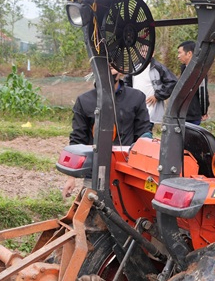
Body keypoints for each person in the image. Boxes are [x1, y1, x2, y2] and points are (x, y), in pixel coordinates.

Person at [65, 65, 154, 197]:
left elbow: (144, 134)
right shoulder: (84, 101)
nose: (110, 69)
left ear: (121, 69)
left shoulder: (136, 97)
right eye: (105, 65)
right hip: (94, 174)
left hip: (126, 173)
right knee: (91, 211)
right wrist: (71, 177)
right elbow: (77, 139)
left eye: (113, 65)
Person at [124, 57, 177, 126]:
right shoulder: (134, 67)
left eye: (146, 51)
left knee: (146, 133)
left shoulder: (158, 67)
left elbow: (172, 82)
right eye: (142, 51)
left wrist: (157, 95)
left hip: (150, 108)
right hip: (134, 107)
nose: (144, 54)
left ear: (153, 52)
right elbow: (126, 82)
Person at [176, 41, 210, 125]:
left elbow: (202, 93)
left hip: (193, 115)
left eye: (180, 53)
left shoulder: (199, 71)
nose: (178, 56)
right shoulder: (184, 68)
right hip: (182, 114)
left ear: (189, 53)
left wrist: (203, 111)